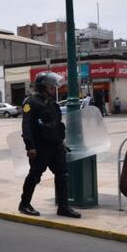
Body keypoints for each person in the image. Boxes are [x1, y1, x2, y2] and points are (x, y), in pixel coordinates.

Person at [19, 72, 81, 218]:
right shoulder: (31, 102)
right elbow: (26, 127)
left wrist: (62, 142)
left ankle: (63, 207)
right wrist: (30, 147)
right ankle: (24, 204)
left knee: (63, 174)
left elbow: (57, 125)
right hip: (40, 147)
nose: (53, 88)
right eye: (50, 86)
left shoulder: (52, 103)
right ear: (42, 87)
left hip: (56, 146)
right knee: (34, 175)